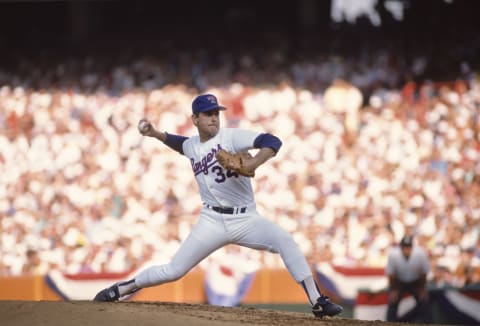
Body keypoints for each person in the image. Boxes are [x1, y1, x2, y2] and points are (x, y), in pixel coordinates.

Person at [93, 93, 343, 318]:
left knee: (285, 240)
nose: (214, 118)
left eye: (216, 113)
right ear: (195, 119)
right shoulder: (192, 145)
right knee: (173, 271)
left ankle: (318, 301)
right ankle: (121, 289)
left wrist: (253, 164)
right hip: (211, 221)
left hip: (245, 219)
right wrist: (156, 134)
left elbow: (272, 140)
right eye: (208, 114)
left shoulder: (231, 137)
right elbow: (180, 144)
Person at [385, 235, 431, 322]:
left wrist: (421, 288)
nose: (407, 250)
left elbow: (424, 272)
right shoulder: (393, 254)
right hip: (398, 282)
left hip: (416, 281)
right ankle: (389, 323)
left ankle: (428, 323)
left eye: (409, 247)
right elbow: (391, 274)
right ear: (401, 247)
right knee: (393, 301)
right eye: (405, 247)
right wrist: (394, 289)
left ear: (412, 247)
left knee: (424, 301)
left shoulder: (420, 253)